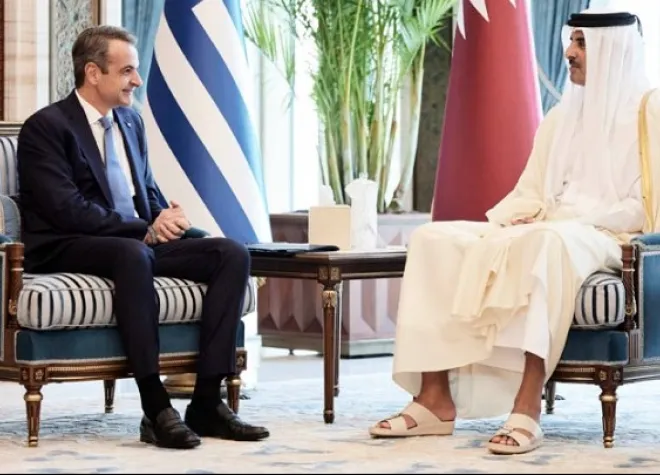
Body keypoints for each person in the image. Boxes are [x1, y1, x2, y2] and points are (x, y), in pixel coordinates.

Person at [369, 9, 658, 455]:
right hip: (552, 227)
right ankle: (433, 399)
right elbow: (530, 191)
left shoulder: (648, 112)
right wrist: (520, 215)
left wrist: (565, 221)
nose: (569, 52)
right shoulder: (561, 118)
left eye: (582, 43)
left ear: (613, 49)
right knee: (434, 239)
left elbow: (645, 206)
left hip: (608, 237)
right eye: (571, 40)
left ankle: (527, 405)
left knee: (545, 243)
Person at [16, 25, 270, 449]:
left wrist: (167, 219)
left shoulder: (131, 121)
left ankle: (207, 402)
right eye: (127, 71)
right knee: (132, 255)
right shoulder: (46, 127)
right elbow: (66, 209)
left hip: (134, 242)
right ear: (93, 73)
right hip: (67, 245)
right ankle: (155, 407)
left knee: (230, 253)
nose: (137, 80)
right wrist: (144, 230)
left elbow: (145, 193)